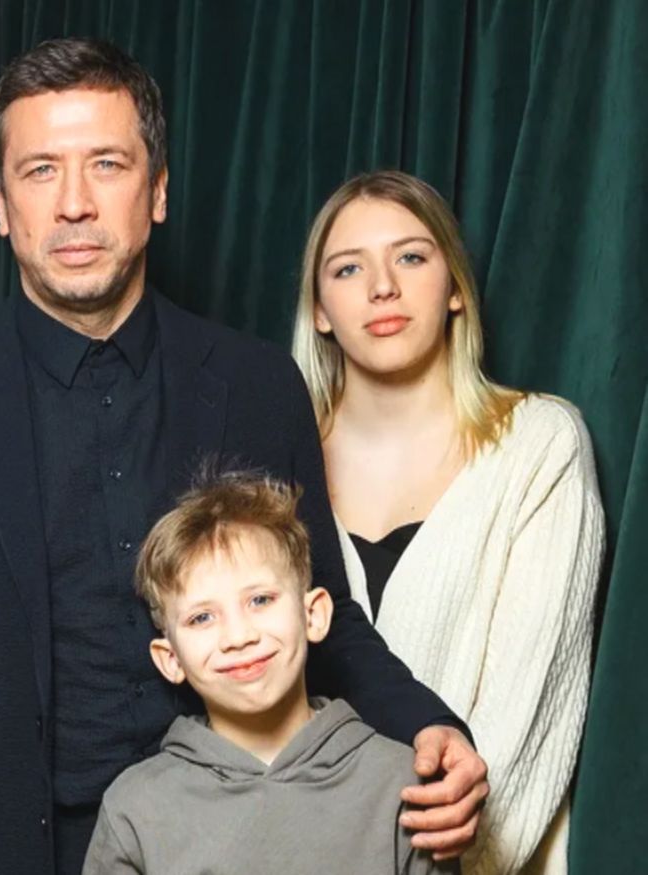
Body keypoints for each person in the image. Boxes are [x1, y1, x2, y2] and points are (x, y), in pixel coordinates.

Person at [0, 37, 488, 875]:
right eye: (40, 171)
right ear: (1, 204)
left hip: (227, 847)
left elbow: (322, 614)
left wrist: (428, 723)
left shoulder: (256, 386)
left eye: (106, 164)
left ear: (158, 191)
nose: (74, 203)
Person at [291, 170, 604, 874]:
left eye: (410, 256)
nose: (382, 287)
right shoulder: (276, 462)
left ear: (455, 287)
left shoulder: (539, 446)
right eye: (348, 268)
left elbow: (524, 730)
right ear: (319, 309)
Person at [83, 471, 450, 874]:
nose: (239, 636)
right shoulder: (135, 810)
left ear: (313, 615)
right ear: (170, 659)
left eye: (260, 600)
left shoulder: (401, 783)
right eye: (202, 617)